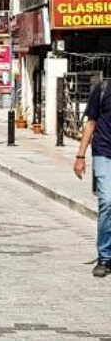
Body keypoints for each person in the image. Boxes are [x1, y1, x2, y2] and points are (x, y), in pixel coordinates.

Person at [74, 79, 111, 277]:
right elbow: (91, 123)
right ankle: (104, 256)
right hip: (104, 152)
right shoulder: (103, 89)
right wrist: (80, 156)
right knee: (107, 201)